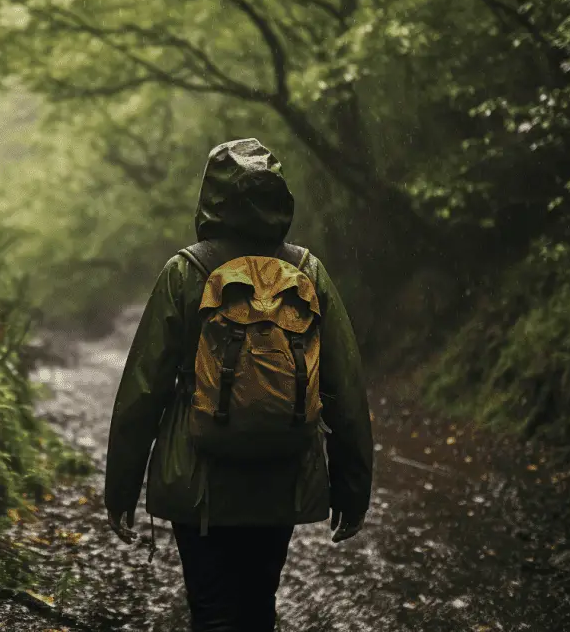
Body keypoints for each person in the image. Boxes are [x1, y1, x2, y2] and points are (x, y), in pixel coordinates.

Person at [103, 138, 374, 632]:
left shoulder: (185, 271)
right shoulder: (307, 270)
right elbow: (346, 389)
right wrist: (353, 489)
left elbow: (144, 391)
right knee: (256, 603)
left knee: (210, 609)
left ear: (211, 198)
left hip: (197, 474)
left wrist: (120, 489)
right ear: (279, 196)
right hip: (282, 470)